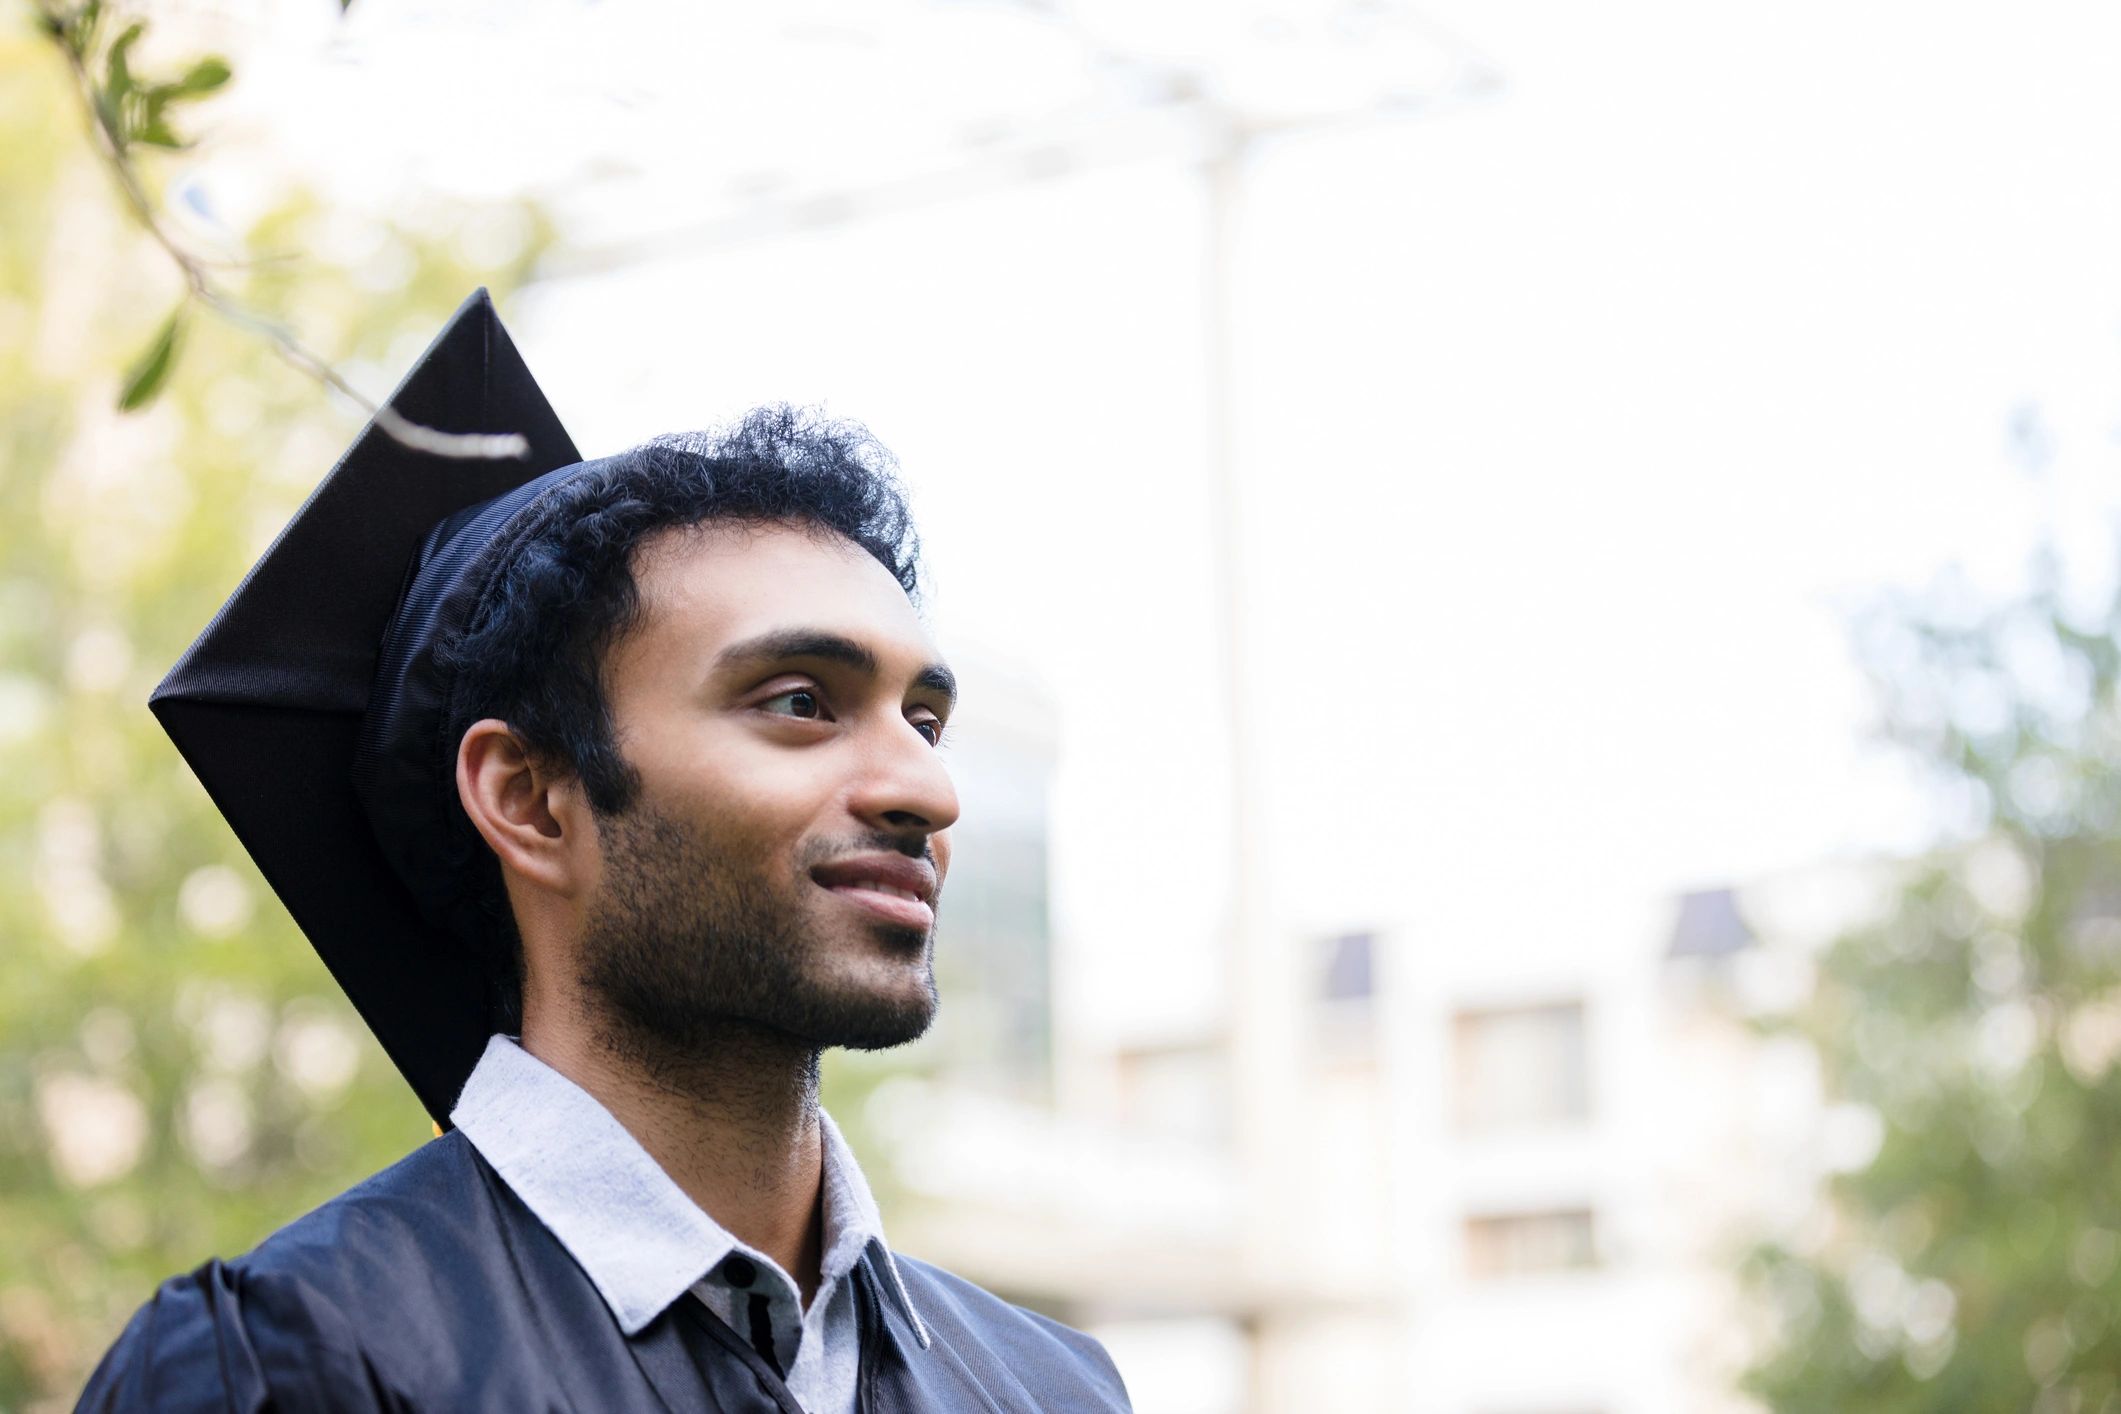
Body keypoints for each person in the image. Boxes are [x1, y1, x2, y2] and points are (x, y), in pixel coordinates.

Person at [77, 291, 1132, 1413]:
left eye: (924, 719)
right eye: (800, 701)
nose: (925, 787)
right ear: (531, 800)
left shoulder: (1047, 1386)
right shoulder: (291, 1365)